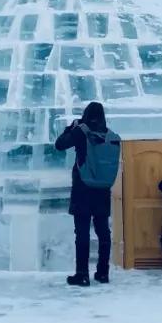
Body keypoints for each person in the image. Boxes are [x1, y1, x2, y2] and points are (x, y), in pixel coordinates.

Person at [55, 101, 116, 286]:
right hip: (103, 190)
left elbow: (59, 145)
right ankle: (103, 272)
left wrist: (71, 129)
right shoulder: (110, 136)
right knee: (103, 232)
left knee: (82, 232)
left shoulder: (82, 132)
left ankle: (82, 274)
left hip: (83, 189)